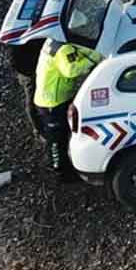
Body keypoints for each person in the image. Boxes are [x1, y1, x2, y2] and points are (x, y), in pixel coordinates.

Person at [32, 38, 103, 180]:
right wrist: (95, 57)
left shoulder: (54, 42)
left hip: (53, 98)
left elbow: (77, 51)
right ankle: (59, 171)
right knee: (57, 139)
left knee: (63, 133)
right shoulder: (63, 49)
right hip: (52, 102)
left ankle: (64, 164)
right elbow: (72, 70)